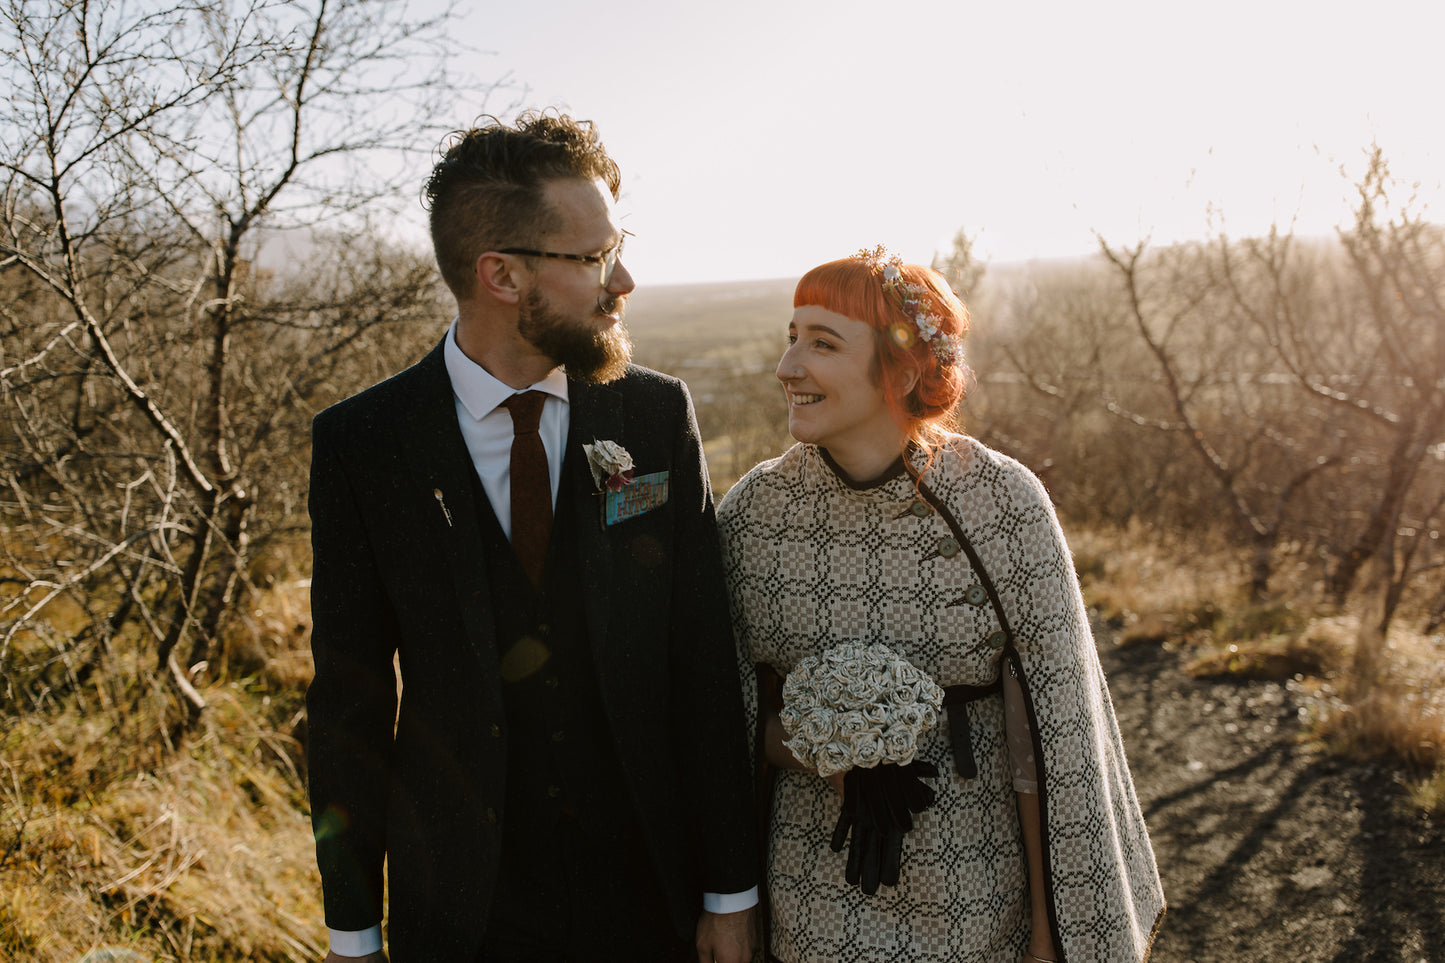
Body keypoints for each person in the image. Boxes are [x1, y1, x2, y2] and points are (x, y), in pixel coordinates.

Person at [305, 111, 757, 962]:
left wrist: (729, 892)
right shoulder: (364, 444)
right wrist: (353, 933)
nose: (622, 279)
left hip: (650, 897)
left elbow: (701, 661)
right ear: (502, 274)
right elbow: (348, 703)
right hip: (464, 909)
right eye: (592, 258)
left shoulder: (655, 414)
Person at [717, 249, 1165, 962]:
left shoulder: (1001, 504)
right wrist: (827, 744)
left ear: (900, 370)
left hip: (976, 905)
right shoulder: (752, 514)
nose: (787, 366)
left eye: (822, 343)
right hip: (808, 904)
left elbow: (1054, 730)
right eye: (791, 335)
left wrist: (1052, 935)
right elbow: (725, 717)